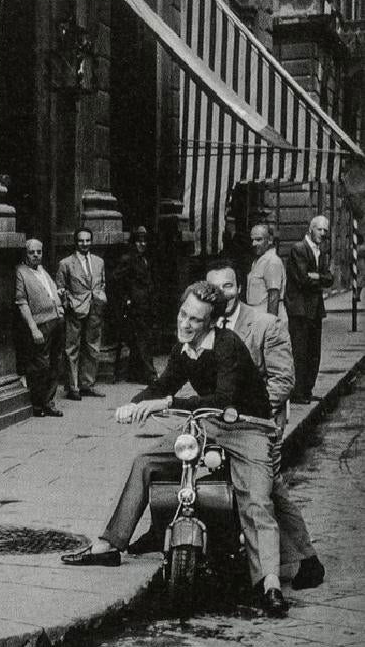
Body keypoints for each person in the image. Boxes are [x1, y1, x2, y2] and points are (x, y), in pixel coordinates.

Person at [61, 280, 288, 617]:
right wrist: (135, 404)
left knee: (257, 501)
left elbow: (223, 397)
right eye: (183, 314)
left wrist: (165, 403)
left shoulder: (227, 345)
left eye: (195, 320)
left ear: (211, 323)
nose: (185, 323)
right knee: (145, 462)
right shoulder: (184, 348)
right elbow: (163, 383)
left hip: (248, 428)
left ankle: (269, 583)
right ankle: (108, 544)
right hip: (208, 425)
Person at [205, 263, 324, 589]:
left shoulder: (264, 324)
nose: (222, 294)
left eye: (228, 287)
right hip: (223, 422)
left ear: (239, 288)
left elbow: (283, 381)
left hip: (260, 421)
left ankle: (305, 560)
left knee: (266, 487)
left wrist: (245, 413)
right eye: (214, 288)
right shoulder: (205, 325)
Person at [285, 215, 334, 403]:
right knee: (300, 352)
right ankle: (298, 393)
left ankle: (307, 390)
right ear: (310, 229)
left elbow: (330, 279)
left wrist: (317, 277)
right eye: (319, 229)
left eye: (325, 231)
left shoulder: (320, 251)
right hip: (300, 310)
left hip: (314, 310)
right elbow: (303, 280)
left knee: (314, 352)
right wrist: (319, 277)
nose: (322, 233)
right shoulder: (299, 249)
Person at [14, 239, 64, 417]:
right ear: (25, 254)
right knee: (40, 366)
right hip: (41, 323)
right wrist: (33, 328)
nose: (36, 255)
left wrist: (58, 301)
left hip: (56, 321)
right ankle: (37, 404)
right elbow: (21, 302)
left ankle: (49, 402)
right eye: (32, 252)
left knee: (55, 364)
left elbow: (50, 292)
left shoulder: (42, 270)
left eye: (39, 252)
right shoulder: (21, 272)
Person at [55, 228, 107, 400]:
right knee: (72, 348)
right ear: (75, 242)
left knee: (93, 346)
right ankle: (73, 387)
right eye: (81, 241)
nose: (84, 244)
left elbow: (102, 283)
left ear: (91, 241)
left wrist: (100, 297)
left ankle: (87, 384)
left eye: (87, 241)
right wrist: (69, 302)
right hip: (75, 309)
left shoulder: (99, 261)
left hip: (95, 308)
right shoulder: (66, 263)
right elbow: (60, 288)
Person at [113, 225, 156, 384]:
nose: (142, 244)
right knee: (142, 339)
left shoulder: (145, 259)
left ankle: (135, 374)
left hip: (146, 305)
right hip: (135, 307)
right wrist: (126, 298)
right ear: (133, 242)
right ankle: (150, 374)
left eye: (145, 241)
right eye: (139, 241)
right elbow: (117, 280)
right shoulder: (128, 259)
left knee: (143, 339)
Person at [245, 223, 287, 321]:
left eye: (259, 240)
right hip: (257, 316)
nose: (254, 244)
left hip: (266, 317)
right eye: (252, 240)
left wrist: (271, 325)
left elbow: (273, 296)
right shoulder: (259, 260)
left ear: (269, 240)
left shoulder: (272, 261)